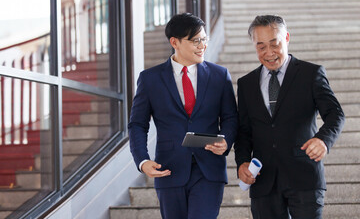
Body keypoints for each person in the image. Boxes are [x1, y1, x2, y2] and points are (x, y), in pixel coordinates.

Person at [234, 15, 345, 219]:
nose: (269, 53)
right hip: (263, 182)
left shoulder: (311, 74)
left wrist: (323, 140)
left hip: (304, 176)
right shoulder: (246, 83)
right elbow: (244, 131)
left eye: (274, 44)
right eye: (261, 47)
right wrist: (241, 162)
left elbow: (335, 113)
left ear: (286, 38)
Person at [128, 13, 238, 219]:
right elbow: (137, 125)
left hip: (209, 170)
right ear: (174, 42)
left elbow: (231, 117)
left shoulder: (219, 76)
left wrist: (226, 140)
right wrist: (142, 160)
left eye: (204, 39)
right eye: (195, 40)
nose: (202, 45)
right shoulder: (150, 79)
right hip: (169, 170)